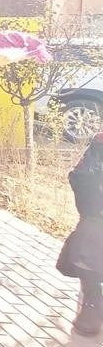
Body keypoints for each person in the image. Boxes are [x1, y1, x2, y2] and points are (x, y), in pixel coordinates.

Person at [57, 133, 102, 336]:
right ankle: (92, 301)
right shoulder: (100, 143)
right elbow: (80, 178)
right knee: (88, 241)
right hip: (95, 219)